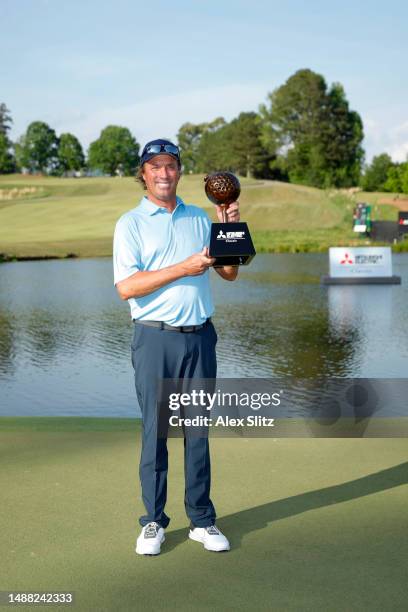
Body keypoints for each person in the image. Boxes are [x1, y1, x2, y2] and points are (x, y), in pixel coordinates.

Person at [113, 138, 240, 555]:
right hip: (154, 338)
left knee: (198, 432)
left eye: (171, 165)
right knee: (156, 433)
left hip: (200, 337)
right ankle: (153, 522)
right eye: (155, 167)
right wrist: (184, 267)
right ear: (144, 175)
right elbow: (128, 287)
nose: (164, 173)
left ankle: (201, 520)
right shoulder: (129, 223)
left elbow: (229, 272)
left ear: (179, 171)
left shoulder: (199, 217)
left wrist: (228, 225)